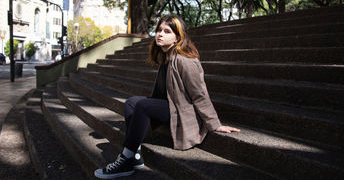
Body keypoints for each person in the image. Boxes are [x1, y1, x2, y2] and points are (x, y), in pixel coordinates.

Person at [94, 15, 240, 179]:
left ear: (177, 37)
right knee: (131, 103)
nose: (160, 34)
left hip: (184, 113)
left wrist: (214, 124)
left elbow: (200, 95)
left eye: (166, 31)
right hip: (170, 106)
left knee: (142, 106)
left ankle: (126, 157)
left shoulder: (186, 61)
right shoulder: (166, 57)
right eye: (158, 30)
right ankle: (135, 155)